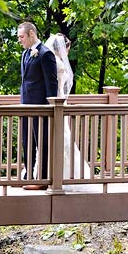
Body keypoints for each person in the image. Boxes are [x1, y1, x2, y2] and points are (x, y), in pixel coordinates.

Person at [45, 33, 93, 181]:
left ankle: (51, 173)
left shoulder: (53, 59)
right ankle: (63, 174)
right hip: (58, 102)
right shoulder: (56, 61)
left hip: (58, 101)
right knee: (61, 137)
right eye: (68, 48)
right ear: (64, 47)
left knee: (59, 137)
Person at [17, 22, 58, 190]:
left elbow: (52, 83)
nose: (20, 40)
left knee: (42, 143)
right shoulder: (26, 54)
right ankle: (28, 175)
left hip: (41, 108)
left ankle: (41, 180)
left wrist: (50, 107)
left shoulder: (45, 54)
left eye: (22, 37)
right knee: (27, 142)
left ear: (31, 34)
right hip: (26, 106)